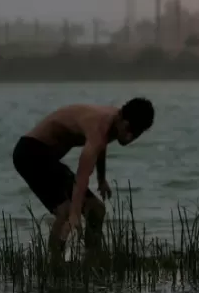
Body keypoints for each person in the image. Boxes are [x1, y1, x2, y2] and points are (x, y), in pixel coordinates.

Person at [12, 97, 154, 253]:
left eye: (135, 134)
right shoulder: (99, 127)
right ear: (120, 117)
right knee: (65, 212)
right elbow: (82, 176)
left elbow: (101, 145)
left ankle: (93, 260)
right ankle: (53, 264)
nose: (128, 137)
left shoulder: (114, 124)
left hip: (48, 158)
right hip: (29, 153)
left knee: (96, 210)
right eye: (127, 129)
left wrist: (101, 179)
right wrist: (75, 214)